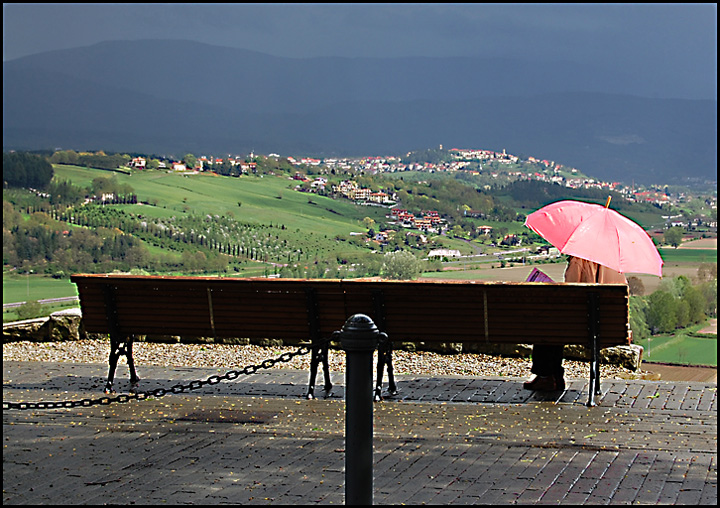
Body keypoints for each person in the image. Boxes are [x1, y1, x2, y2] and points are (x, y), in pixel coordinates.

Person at [523, 255, 628, 392]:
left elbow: (570, 293)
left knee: (547, 322)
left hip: (580, 327)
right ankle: (554, 376)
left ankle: (546, 376)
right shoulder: (615, 265)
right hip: (606, 328)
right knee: (556, 323)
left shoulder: (579, 260)